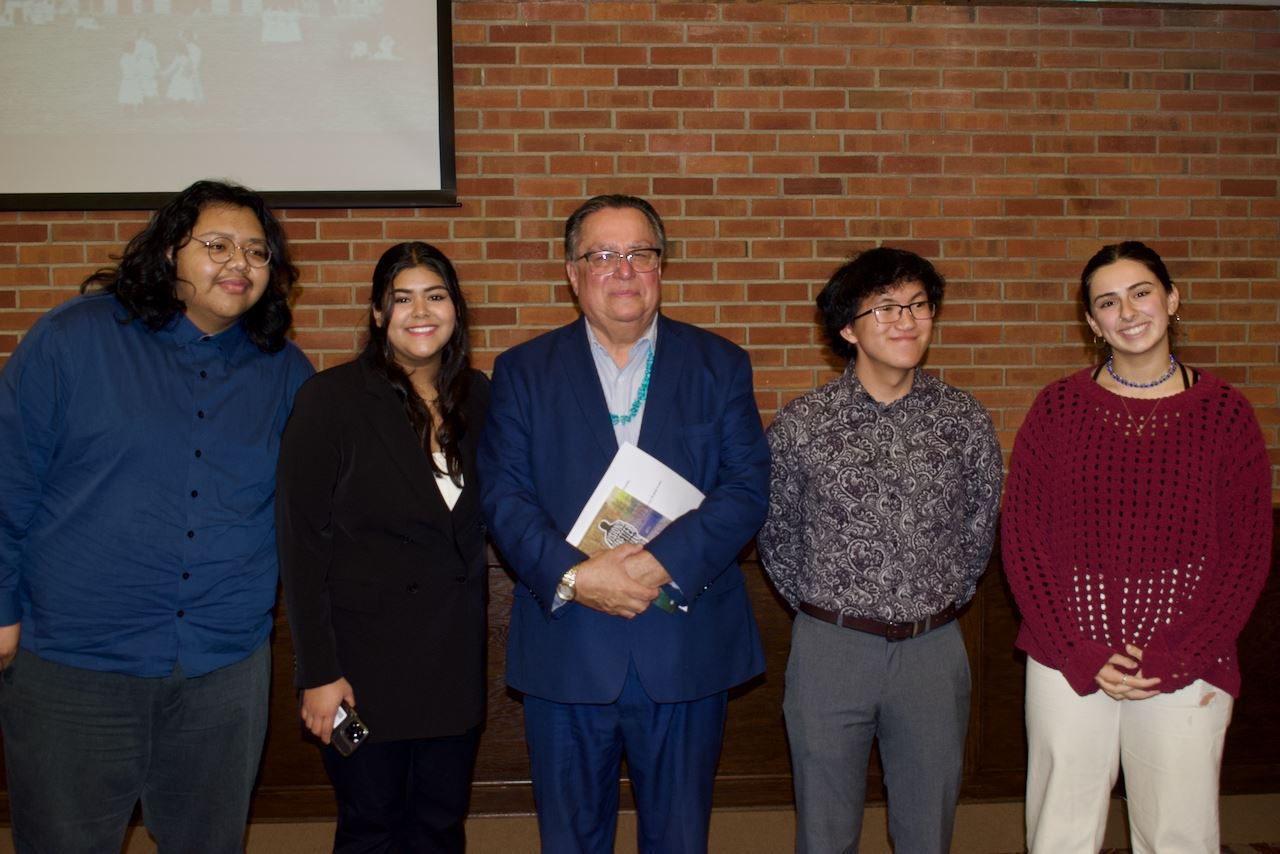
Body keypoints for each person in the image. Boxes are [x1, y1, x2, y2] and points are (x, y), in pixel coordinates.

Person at [0, 179, 313, 853]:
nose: (240, 263)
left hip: (223, 665)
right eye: (218, 245)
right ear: (170, 251)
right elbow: (9, 480)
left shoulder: (285, 371)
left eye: (258, 252)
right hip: (77, 661)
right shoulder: (71, 340)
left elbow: (313, 508)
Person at [477, 194, 770, 854]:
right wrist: (577, 576)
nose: (624, 270)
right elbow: (503, 496)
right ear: (572, 272)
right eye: (602, 255)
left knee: (679, 840)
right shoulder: (522, 372)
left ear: (661, 268)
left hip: (684, 645)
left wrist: (655, 564)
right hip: (568, 649)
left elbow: (746, 489)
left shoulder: (719, 364)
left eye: (640, 253)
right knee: (571, 841)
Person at [1002, 241, 1272, 853]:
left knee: (1178, 832)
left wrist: (1183, 651)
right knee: (1059, 832)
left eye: (1141, 292)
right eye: (1108, 302)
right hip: (1067, 649)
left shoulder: (1227, 414)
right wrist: (1077, 647)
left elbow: (1247, 553)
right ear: (1093, 323)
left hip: (1186, 654)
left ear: (1172, 300)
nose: (1128, 311)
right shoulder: (1058, 409)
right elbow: (1024, 539)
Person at [759, 247, 1003, 854]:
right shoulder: (803, 425)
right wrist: (834, 610)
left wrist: (933, 599)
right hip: (829, 650)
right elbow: (777, 534)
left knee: (927, 830)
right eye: (887, 308)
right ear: (848, 328)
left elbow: (979, 528)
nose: (907, 320)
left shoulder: (963, 421)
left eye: (919, 305)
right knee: (825, 830)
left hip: (932, 650)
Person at [276, 242, 489, 853]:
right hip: (360, 670)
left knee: (441, 825)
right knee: (372, 827)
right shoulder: (330, 401)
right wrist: (318, 673)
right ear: (376, 314)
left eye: (436, 295)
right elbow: (301, 543)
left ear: (455, 309)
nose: (420, 311)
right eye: (401, 298)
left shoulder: (481, 398)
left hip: (452, 661)